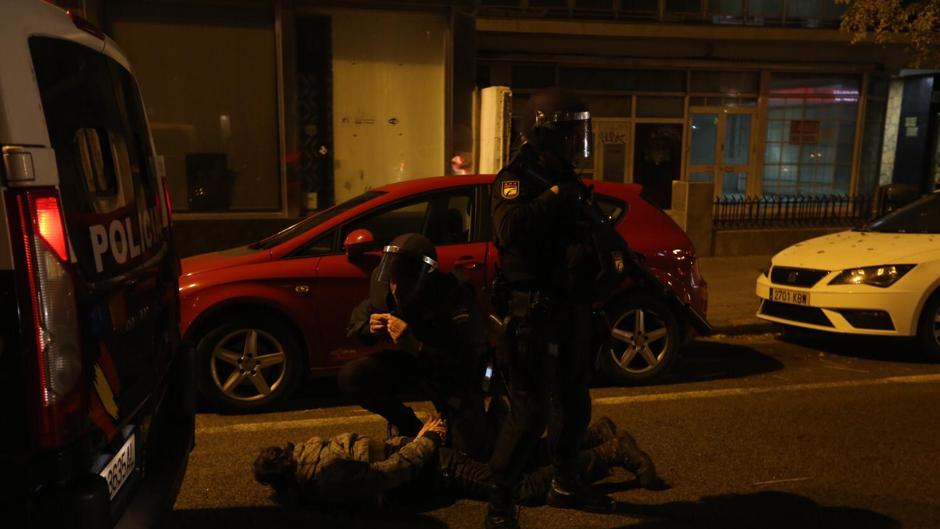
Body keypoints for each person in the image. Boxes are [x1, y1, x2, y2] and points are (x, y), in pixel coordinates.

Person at [486, 89, 612, 528]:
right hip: (532, 310)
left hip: (570, 306)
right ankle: (500, 505)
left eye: (580, 131)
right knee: (530, 411)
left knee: (575, 404)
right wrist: (554, 198)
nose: (578, 140)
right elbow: (507, 228)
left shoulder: (570, 178)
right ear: (542, 133)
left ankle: (565, 481)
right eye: (569, 132)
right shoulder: (516, 177)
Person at [253, 416, 656, 510]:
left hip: (435, 466)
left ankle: (609, 453)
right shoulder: (312, 447)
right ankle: (594, 433)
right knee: (520, 457)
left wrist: (426, 439)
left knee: (519, 489)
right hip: (429, 458)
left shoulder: (324, 478)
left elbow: (389, 473)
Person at [338, 233, 490, 459]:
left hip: (452, 374)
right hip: (415, 366)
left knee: (465, 455)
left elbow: (470, 363)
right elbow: (355, 323)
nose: (396, 290)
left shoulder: (454, 296)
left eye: (405, 281)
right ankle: (410, 426)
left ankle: (489, 421)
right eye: (392, 280)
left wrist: (417, 346)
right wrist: (368, 328)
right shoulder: (385, 291)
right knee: (353, 377)